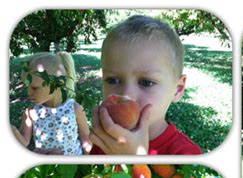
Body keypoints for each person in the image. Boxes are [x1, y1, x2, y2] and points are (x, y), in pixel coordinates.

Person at [89, 15, 201, 155]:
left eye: (146, 82)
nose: (126, 95)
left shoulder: (186, 156)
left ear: (178, 90)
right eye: (113, 80)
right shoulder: (104, 140)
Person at [12, 52, 91, 155]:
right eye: (26, 87)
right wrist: (11, 130)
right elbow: (24, 142)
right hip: (47, 168)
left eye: (35, 88)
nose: (28, 92)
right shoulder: (31, 113)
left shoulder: (74, 108)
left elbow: (86, 138)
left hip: (73, 166)